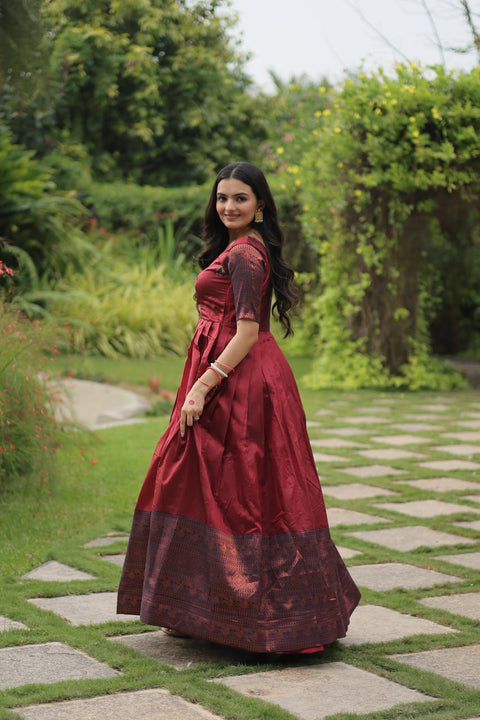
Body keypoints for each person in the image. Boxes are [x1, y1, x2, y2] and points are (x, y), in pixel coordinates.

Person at [117, 161, 360, 653]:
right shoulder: (235, 248)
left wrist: (203, 386)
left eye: (240, 199)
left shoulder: (247, 255)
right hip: (233, 373)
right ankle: (197, 608)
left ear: (260, 205)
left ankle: (258, 615)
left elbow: (247, 331)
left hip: (241, 383)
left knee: (242, 493)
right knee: (200, 484)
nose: (228, 206)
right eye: (222, 198)